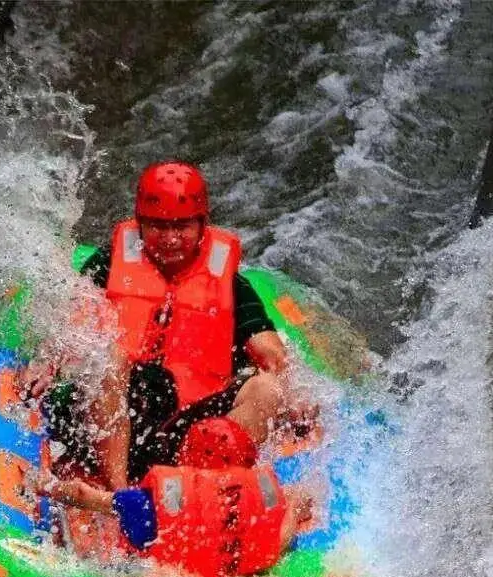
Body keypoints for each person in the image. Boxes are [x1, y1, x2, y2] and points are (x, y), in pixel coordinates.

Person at [23, 161, 312, 493]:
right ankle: (119, 495)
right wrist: (47, 363)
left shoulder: (231, 285)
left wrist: (296, 393)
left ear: (203, 224)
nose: (170, 239)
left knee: (267, 390)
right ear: (140, 224)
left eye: (182, 226)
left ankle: (194, 489)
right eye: (158, 227)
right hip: (113, 414)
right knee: (110, 354)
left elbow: (271, 352)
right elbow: (73, 323)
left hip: (186, 428)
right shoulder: (108, 265)